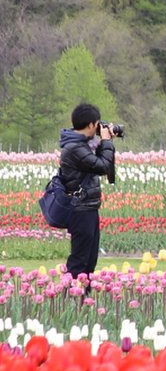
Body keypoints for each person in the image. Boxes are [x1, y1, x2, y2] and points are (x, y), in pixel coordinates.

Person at [57, 104, 115, 278]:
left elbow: (99, 163)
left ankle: (83, 301)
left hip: (87, 207)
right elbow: (103, 166)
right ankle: (72, 300)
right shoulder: (74, 148)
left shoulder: (80, 145)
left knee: (89, 260)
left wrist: (105, 142)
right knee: (80, 261)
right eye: (97, 125)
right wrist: (106, 142)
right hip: (80, 209)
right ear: (90, 125)